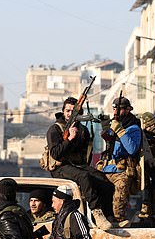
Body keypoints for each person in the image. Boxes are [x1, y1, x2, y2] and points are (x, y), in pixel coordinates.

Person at [47, 97, 114, 230]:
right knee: (84, 177)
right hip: (60, 167)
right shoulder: (55, 129)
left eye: (74, 111)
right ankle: (97, 213)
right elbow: (55, 153)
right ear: (63, 111)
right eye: (67, 110)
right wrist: (69, 139)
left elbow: (85, 154)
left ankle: (109, 216)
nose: (70, 113)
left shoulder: (83, 130)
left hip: (78, 165)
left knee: (105, 182)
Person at [100, 97, 142, 229]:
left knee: (119, 195)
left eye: (120, 109)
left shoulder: (133, 128)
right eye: (114, 108)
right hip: (107, 168)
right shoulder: (115, 123)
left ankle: (118, 218)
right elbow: (108, 139)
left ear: (128, 110)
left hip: (122, 170)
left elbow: (132, 149)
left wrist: (120, 131)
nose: (116, 112)